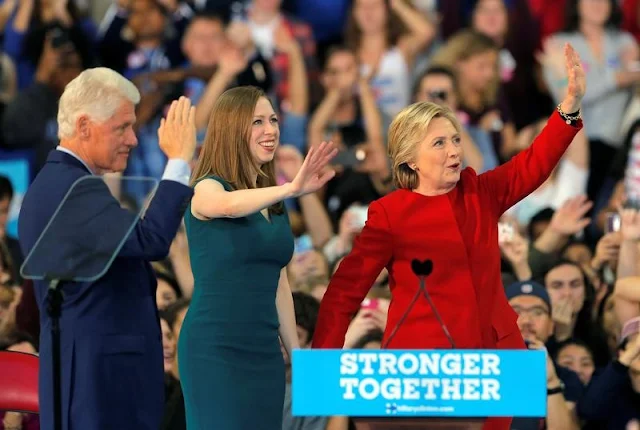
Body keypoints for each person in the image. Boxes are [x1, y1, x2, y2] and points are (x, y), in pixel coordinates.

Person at [312, 43, 587, 430]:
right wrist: (325, 364)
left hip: (493, 360)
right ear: (410, 158)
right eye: (439, 143)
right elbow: (345, 290)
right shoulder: (390, 213)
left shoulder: (479, 191)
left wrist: (569, 106)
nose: (454, 150)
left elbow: (532, 165)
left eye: (455, 139)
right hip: (423, 369)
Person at [17, 68, 196, 430]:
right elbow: (151, 240)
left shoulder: (63, 184)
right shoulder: (71, 188)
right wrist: (178, 162)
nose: (132, 139)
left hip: (97, 379)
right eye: (121, 127)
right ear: (84, 126)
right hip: (97, 385)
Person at [178, 85, 336, 430]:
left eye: (274, 120)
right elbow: (228, 206)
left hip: (265, 353)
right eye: (258, 122)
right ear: (232, 130)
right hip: (214, 348)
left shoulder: (274, 208)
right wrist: (291, 188)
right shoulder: (207, 186)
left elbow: (277, 282)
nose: (271, 130)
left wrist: (294, 352)